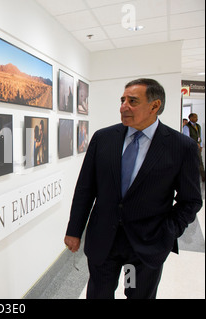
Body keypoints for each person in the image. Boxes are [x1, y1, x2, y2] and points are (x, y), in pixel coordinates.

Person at [64, 78, 202, 299]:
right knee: (99, 294)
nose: (123, 106)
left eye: (133, 101)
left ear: (154, 106)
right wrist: (74, 230)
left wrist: (168, 232)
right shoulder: (104, 138)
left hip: (144, 247)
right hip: (104, 243)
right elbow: (85, 189)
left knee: (136, 295)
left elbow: (191, 200)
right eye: (122, 100)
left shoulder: (180, 147)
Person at [183, 113, 205, 182]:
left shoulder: (198, 126)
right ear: (190, 118)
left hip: (197, 147)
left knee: (200, 162)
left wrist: (201, 145)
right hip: (190, 147)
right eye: (195, 117)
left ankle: (203, 178)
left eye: (197, 117)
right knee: (191, 162)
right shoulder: (186, 127)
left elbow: (200, 136)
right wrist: (195, 144)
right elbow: (187, 138)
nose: (197, 118)